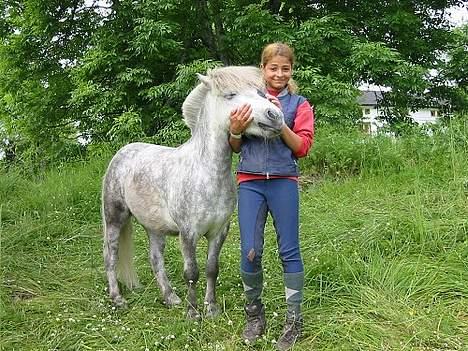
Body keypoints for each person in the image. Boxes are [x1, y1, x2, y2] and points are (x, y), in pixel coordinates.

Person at [228, 42, 314, 351]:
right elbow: (235, 147)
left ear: (291, 70)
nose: (279, 74)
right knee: (250, 250)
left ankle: (294, 321)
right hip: (250, 182)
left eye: (285, 68)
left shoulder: (299, 104)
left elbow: (302, 148)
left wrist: (281, 125)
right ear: (263, 69)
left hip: (283, 182)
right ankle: (255, 316)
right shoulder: (248, 99)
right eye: (272, 68)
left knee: (289, 251)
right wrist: (235, 131)